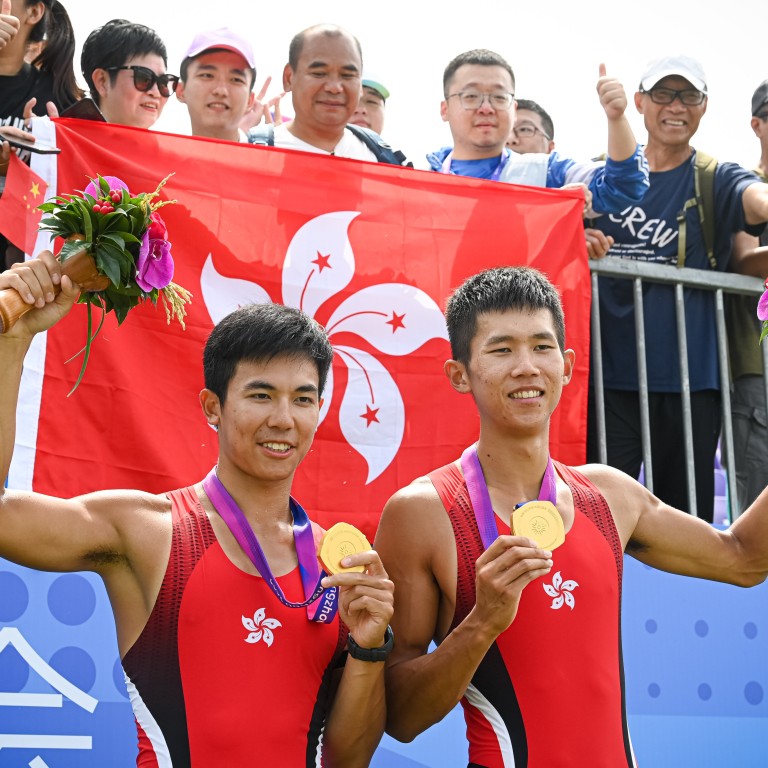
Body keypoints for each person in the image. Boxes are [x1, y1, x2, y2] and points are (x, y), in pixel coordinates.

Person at [0, 252, 395, 767]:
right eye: (261, 394)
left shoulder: (339, 567)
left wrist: (368, 649)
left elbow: (346, 760)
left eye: (303, 399)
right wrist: (11, 346)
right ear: (213, 406)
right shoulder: (146, 531)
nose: (283, 419)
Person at [373, 265, 768, 767]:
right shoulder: (422, 513)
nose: (526, 367)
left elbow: (744, 559)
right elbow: (402, 719)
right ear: (459, 374)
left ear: (566, 364)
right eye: (501, 349)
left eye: (542, 347)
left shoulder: (610, 495)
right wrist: (481, 624)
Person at [586, 55, 768, 522]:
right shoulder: (598, 177)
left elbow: (756, 198)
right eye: (663, 94)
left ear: (704, 107)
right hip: (607, 379)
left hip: (692, 382)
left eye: (689, 95)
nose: (676, 106)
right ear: (641, 103)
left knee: (684, 523)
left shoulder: (714, 176)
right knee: (598, 518)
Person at [427, 50, 647, 259]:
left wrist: (617, 119)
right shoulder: (422, 182)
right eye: (471, 96)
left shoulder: (547, 171)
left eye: (499, 97)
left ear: (513, 109)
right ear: (444, 109)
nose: (486, 107)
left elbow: (624, 185)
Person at [248, 24, 409, 166]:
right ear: (289, 77)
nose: (334, 88)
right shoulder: (252, 154)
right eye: (319, 73)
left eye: (347, 75)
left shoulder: (386, 161)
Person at [723, 79, 768, 512]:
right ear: (757, 124)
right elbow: (742, 261)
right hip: (756, 367)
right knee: (755, 497)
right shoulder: (744, 186)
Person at [176, 27, 284, 143]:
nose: (221, 91)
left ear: (250, 100)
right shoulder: (162, 158)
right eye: (207, 75)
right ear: (181, 91)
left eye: (236, 80)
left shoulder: (272, 156)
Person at [80, 18, 177, 129]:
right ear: (102, 81)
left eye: (163, 82)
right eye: (144, 78)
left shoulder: (178, 146)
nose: (156, 93)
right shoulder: (61, 143)